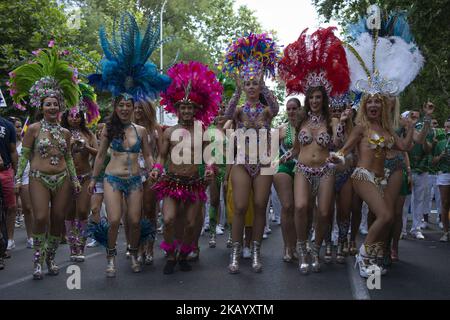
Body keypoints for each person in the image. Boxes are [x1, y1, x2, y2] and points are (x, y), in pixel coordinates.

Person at [87, 12, 170, 277]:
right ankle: (111, 258)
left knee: (134, 221)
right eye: (121, 105)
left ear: (134, 107)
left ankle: (133, 253)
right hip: (112, 179)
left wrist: (155, 169)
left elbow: (150, 155)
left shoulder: (142, 130)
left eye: (128, 105)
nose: (124, 108)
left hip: (136, 180)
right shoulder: (108, 129)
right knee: (113, 220)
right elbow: (100, 156)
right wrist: (92, 179)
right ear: (116, 107)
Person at [279, 27, 351, 274]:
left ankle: (315, 247)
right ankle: (301, 246)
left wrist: (339, 132)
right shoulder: (300, 120)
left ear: (324, 99)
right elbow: (297, 146)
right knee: (300, 207)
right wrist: (288, 154)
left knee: (323, 212)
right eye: (312, 98)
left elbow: (339, 145)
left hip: (325, 170)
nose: (315, 101)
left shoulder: (331, 121)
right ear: (308, 99)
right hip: (301, 168)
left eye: (319, 97)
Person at [10, 42, 81, 279]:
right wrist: (18, 179)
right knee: (41, 217)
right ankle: (37, 261)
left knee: (58, 220)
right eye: (48, 104)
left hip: (62, 179)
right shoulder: (33, 129)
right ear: (42, 107)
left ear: (61, 107)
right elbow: (24, 156)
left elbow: (69, 157)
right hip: (39, 178)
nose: (52, 107)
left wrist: (74, 179)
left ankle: (50, 258)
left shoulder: (66, 133)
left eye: (55, 104)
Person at [152, 61, 220, 274]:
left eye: (190, 107)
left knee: (192, 224)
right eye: (183, 107)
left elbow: (210, 157)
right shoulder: (169, 132)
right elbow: (162, 157)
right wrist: (156, 169)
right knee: (169, 219)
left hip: (194, 184)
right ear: (177, 109)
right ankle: (171, 255)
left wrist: (210, 169)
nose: (187, 110)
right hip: (172, 182)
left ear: (196, 109)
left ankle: (184, 254)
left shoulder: (203, 131)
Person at [223, 33, 280, 274]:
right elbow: (226, 116)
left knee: (259, 205)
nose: (252, 87)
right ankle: (235, 253)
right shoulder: (237, 110)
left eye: (255, 83)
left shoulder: (267, 111)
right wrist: (236, 90)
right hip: (242, 162)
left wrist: (266, 85)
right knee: (240, 205)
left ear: (260, 85)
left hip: (264, 163)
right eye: (248, 83)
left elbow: (277, 108)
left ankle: (256, 251)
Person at [61, 106, 97, 262]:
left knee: (82, 211)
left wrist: (85, 146)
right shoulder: (61, 133)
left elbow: (99, 152)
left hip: (85, 176)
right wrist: (70, 144)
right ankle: (72, 247)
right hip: (67, 178)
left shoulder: (88, 134)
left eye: (77, 116)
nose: (74, 119)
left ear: (82, 118)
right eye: (71, 116)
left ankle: (81, 246)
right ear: (66, 117)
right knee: (69, 213)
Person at [133, 99, 162, 265]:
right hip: (132, 172)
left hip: (150, 173)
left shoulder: (155, 128)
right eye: (135, 108)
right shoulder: (129, 127)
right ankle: (138, 245)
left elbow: (160, 152)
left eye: (140, 108)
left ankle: (149, 247)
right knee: (136, 212)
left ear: (147, 110)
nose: (137, 111)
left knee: (150, 209)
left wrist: (156, 169)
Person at [273, 97, 300, 262]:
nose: (291, 112)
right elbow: (271, 152)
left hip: (302, 168)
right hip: (283, 167)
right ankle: (287, 246)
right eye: (288, 109)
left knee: (300, 208)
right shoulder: (281, 130)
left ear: (300, 109)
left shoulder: (306, 127)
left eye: (294, 108)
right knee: (287, 206)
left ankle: (296, 244)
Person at [10, 117, 33, 249]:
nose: (19, 129)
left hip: (26, 177)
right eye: (17, 126)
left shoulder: (25, 142)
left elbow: (32, 158)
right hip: (11, 176)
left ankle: (30, 236)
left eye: (20, 126)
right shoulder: (7, 143)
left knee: (28, 208)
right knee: (11, 209)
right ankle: (10, 239)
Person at [0, 114, 18, 261]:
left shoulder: (8, 125)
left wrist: (15, 171)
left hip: (5, 172)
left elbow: (13, 150)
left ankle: (8, 242)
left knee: (10, 208)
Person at [432, 118, 450, 242]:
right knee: (445, 204)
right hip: (444, 174)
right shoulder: (441, 143)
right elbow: (432, 162)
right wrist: (440, 156)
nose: (447, 129)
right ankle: (445, 232)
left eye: (449, 127)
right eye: (446, 127)